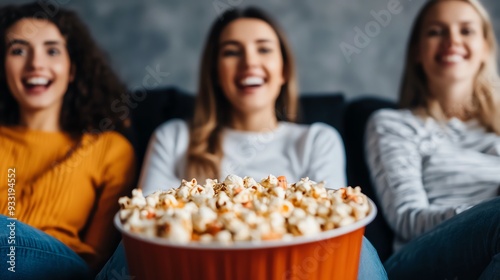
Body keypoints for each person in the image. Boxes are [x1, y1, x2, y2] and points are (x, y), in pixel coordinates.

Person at [98, 6, 387, 280]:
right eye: (231, 52)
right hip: (197, 270)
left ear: (284, 69)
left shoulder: (316, 140)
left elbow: (332, 228)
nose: (250, 62)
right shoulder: (173, 137)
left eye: (264, 49)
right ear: (215, 72)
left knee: (358, 247)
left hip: (295, 268)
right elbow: (144, 230)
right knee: (128, 248)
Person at [365, 0, 500, 279]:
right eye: (436, 32)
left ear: (486, 47)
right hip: (420, 255)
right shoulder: (395, 125)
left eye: (466, 31)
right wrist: (484, 212)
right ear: (417, 51)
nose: (452, 40)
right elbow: (407, 217)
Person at [0, 3, 135, 279]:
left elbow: (101, 259)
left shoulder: (108, 149)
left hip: (64, 269)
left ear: (72, 69)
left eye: (52, 50)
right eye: (18, 50)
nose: (36, 63)